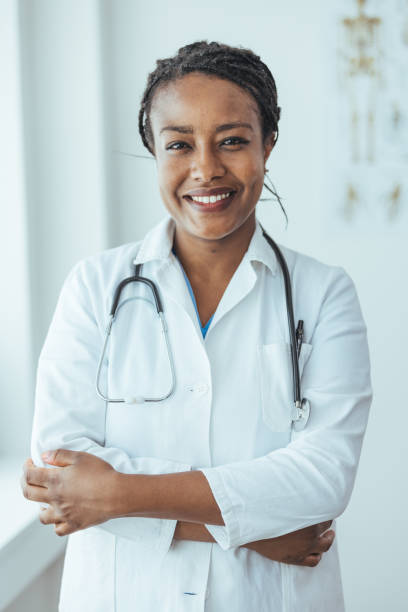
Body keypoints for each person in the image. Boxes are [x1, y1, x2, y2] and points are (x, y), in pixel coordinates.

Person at [21, 41, 372, 611]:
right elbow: (61, 470)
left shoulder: (324, 293)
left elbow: (323, 478)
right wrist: (250, 526)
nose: (206, 169)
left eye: (232, 140)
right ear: (154, 152)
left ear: (268, 146)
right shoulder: (93, 287)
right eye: (179, 144)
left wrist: (117, 495)